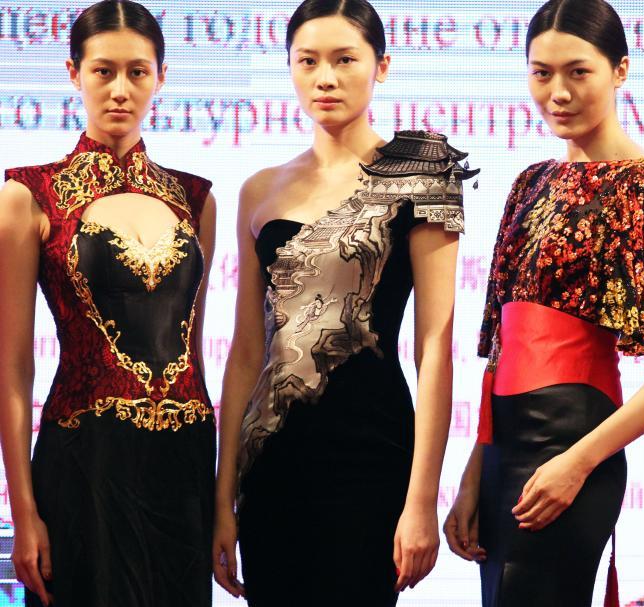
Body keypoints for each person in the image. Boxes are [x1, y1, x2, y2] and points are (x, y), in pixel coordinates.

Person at [442, 1, 644, 606]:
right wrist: (473, 474)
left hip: (574, 444)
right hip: (503, 451)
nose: (558, 92)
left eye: (578, 72)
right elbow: (502, 348)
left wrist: (579, 462)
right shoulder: (530, 183)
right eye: (541, 73)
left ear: (620, 70)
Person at [210, 1, 474, 605]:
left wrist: (421, 500)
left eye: (344, 60)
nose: (325, 78)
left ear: (382, 66)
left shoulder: (422, 170)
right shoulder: (259, 189)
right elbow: (246, 351)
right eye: (308, 61)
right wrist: (223, 498)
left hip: (371, 454)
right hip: (272, 462)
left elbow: (435, 346)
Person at [0, 2, 217, 606]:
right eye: (103, 71)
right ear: (74, 73)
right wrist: (23, 511)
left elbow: (195, 349)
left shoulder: (195, 199)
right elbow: (13, 368)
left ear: (161, 78)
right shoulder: (29, 195)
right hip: (84, 458)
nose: (120, 89)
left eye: (137, 72)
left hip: (184, 459)